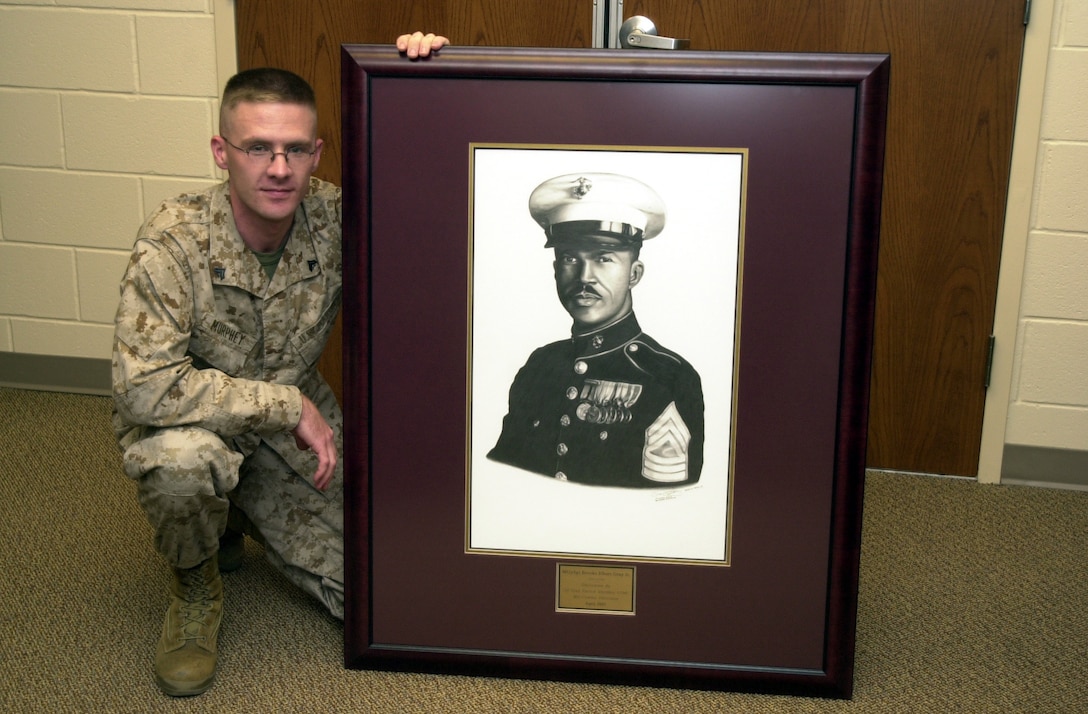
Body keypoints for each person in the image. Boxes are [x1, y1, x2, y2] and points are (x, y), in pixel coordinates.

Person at [111, 32, 448, 697]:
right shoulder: (173, 239)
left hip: (292, 437)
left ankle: (236, 511)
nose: (278, 168)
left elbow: (433, 209)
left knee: (388, 597)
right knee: (181, 467)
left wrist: (427, 77)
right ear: (221, 152)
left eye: (296, 148)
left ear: (316, 153)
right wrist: (288, 408)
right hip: (200, 428)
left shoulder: (334, 215)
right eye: (257, 147)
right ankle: (195, 585)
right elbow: (142, 389)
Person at [487, 172, 705, 488]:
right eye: (569, 258)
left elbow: (667, 506)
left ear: (634, 274)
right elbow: (501, 479)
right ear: (555, 270)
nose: (584, 276)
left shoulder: (667, 376)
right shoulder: (540, 365)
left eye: (604, 258)